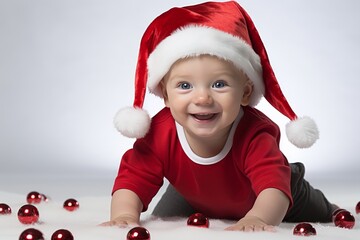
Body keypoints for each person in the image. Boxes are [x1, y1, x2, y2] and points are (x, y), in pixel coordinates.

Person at [102, 1, 340, 231]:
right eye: (185, 86)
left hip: (275, 195)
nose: (203, 98)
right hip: (192, 194)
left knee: (321, 211)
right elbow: (133, 179)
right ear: (165, 95)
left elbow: (272, 187)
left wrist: (258, 217)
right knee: (164, 219)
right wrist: (124, 214)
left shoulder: (255, 133)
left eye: (219, 84)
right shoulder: (160, 132)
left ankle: (331, 207)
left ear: (245, 92)